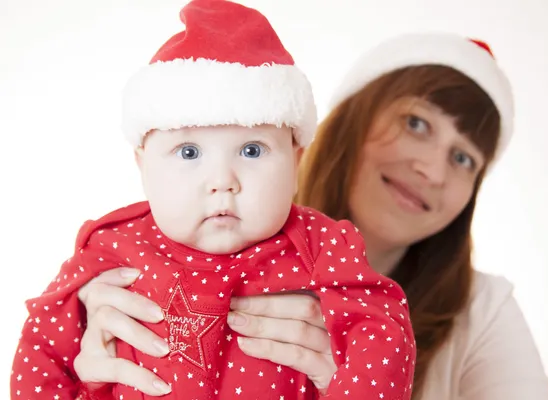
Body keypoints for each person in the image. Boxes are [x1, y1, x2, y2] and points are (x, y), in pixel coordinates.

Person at [43, 32, 548, 400]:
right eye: (415, 123)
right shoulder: (138, 251)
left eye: (464, 157)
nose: (433, 169)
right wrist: (88, 364)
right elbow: (45, 356)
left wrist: (355, 387)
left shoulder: (484, 309)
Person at [8, 1, 417, 399]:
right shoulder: (113, 245)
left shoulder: (320, 245)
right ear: (142, 165)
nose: (222, 181)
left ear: (295, 164)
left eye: (252, 150)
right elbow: (44, 339)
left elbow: (382, 331)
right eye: (189, 153)